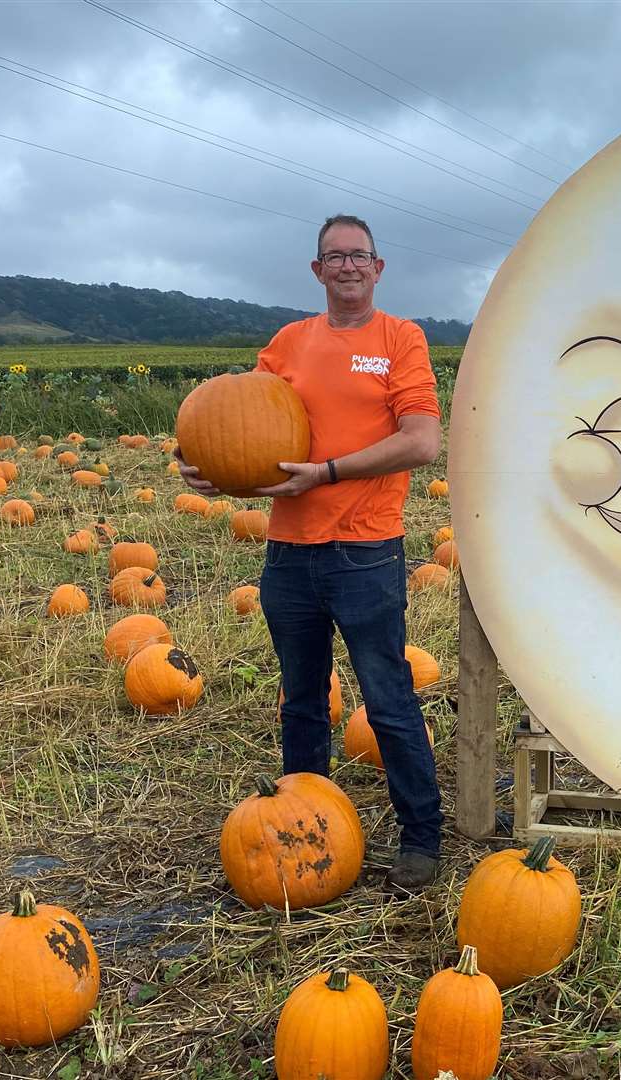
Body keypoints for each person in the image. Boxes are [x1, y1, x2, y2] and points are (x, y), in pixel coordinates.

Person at [177, 214, 446, 890]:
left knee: (388, 699)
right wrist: (208, 465)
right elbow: (241, 418)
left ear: (378, 269)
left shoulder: (400, 339)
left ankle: (421, 837)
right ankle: (309, 829)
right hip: (290, 554)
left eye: (360, 255)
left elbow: (422, 441)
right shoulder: (289, 343)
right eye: (335, 256)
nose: (348, 266)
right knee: (302, 700)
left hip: (366, 550)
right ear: (317, 271)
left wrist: (327, 473)